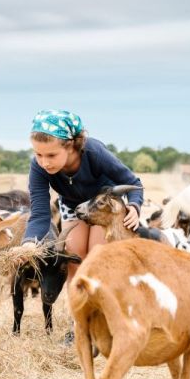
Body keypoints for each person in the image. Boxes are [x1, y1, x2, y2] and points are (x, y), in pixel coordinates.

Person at [22, 109, 143, 285]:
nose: (44, 162)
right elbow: (40, 213)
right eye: (38, 154)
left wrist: (134, 204)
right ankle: (77, 310)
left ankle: (101, 308)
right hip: (72, 204)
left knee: (97, 257)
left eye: (51, 155)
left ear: (70, 146)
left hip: (103, 206)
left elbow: (133, 183)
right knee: (74, 259)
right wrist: (29, 242)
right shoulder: (38, 168)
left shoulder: (95, 152)